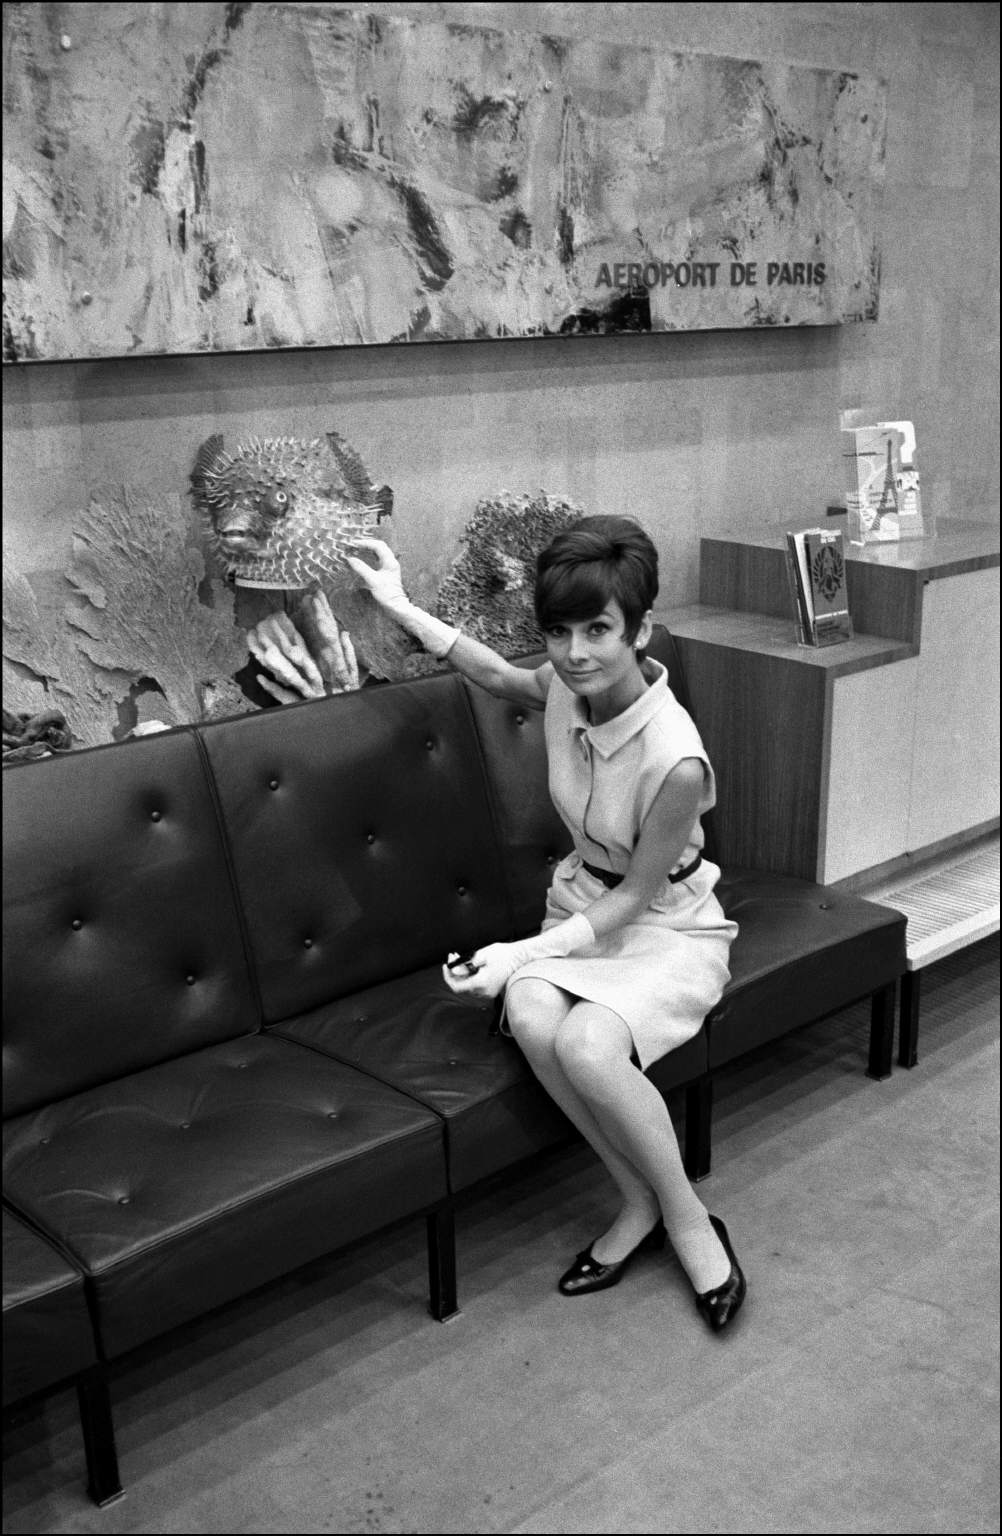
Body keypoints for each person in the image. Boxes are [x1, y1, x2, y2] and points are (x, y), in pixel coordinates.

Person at [345, 518, 746, 1333]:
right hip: (578, 908)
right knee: (531, 1015)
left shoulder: (676, 759)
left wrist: (519, 952)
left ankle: (687, 1217)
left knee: (588, 1045)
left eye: (597, 630)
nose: (574, 653)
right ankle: (634, 1199)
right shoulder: (569, 688)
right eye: (558, 632)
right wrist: (398, 604)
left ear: (640, 630)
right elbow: (498, 673)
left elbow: (634, 900)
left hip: (666, 923)